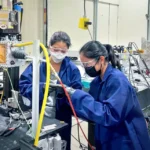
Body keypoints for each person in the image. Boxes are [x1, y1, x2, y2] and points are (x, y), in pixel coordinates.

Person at [66, 41, 150, 150]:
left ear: (101, 59)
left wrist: (78, 96)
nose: (86, 68)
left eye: (87, 64)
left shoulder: (118, 81)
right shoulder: (96, 82)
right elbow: (93, 111)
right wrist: (68, 99)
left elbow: (110, 115)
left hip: (123, 139)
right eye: (83, 65)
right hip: (106, 137)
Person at [19, 31, 82, 150]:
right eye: (56, 49)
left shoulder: (72, 69)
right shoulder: (37, 64)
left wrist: (66, 93)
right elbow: (23, 85)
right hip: (39, 115)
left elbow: (77, 92)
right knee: (39, 144)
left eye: (63, 51)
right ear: (49, 47)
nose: (59, 54)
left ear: (67, 51)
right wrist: (41, 88)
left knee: (61, 144)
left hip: (62, 117)